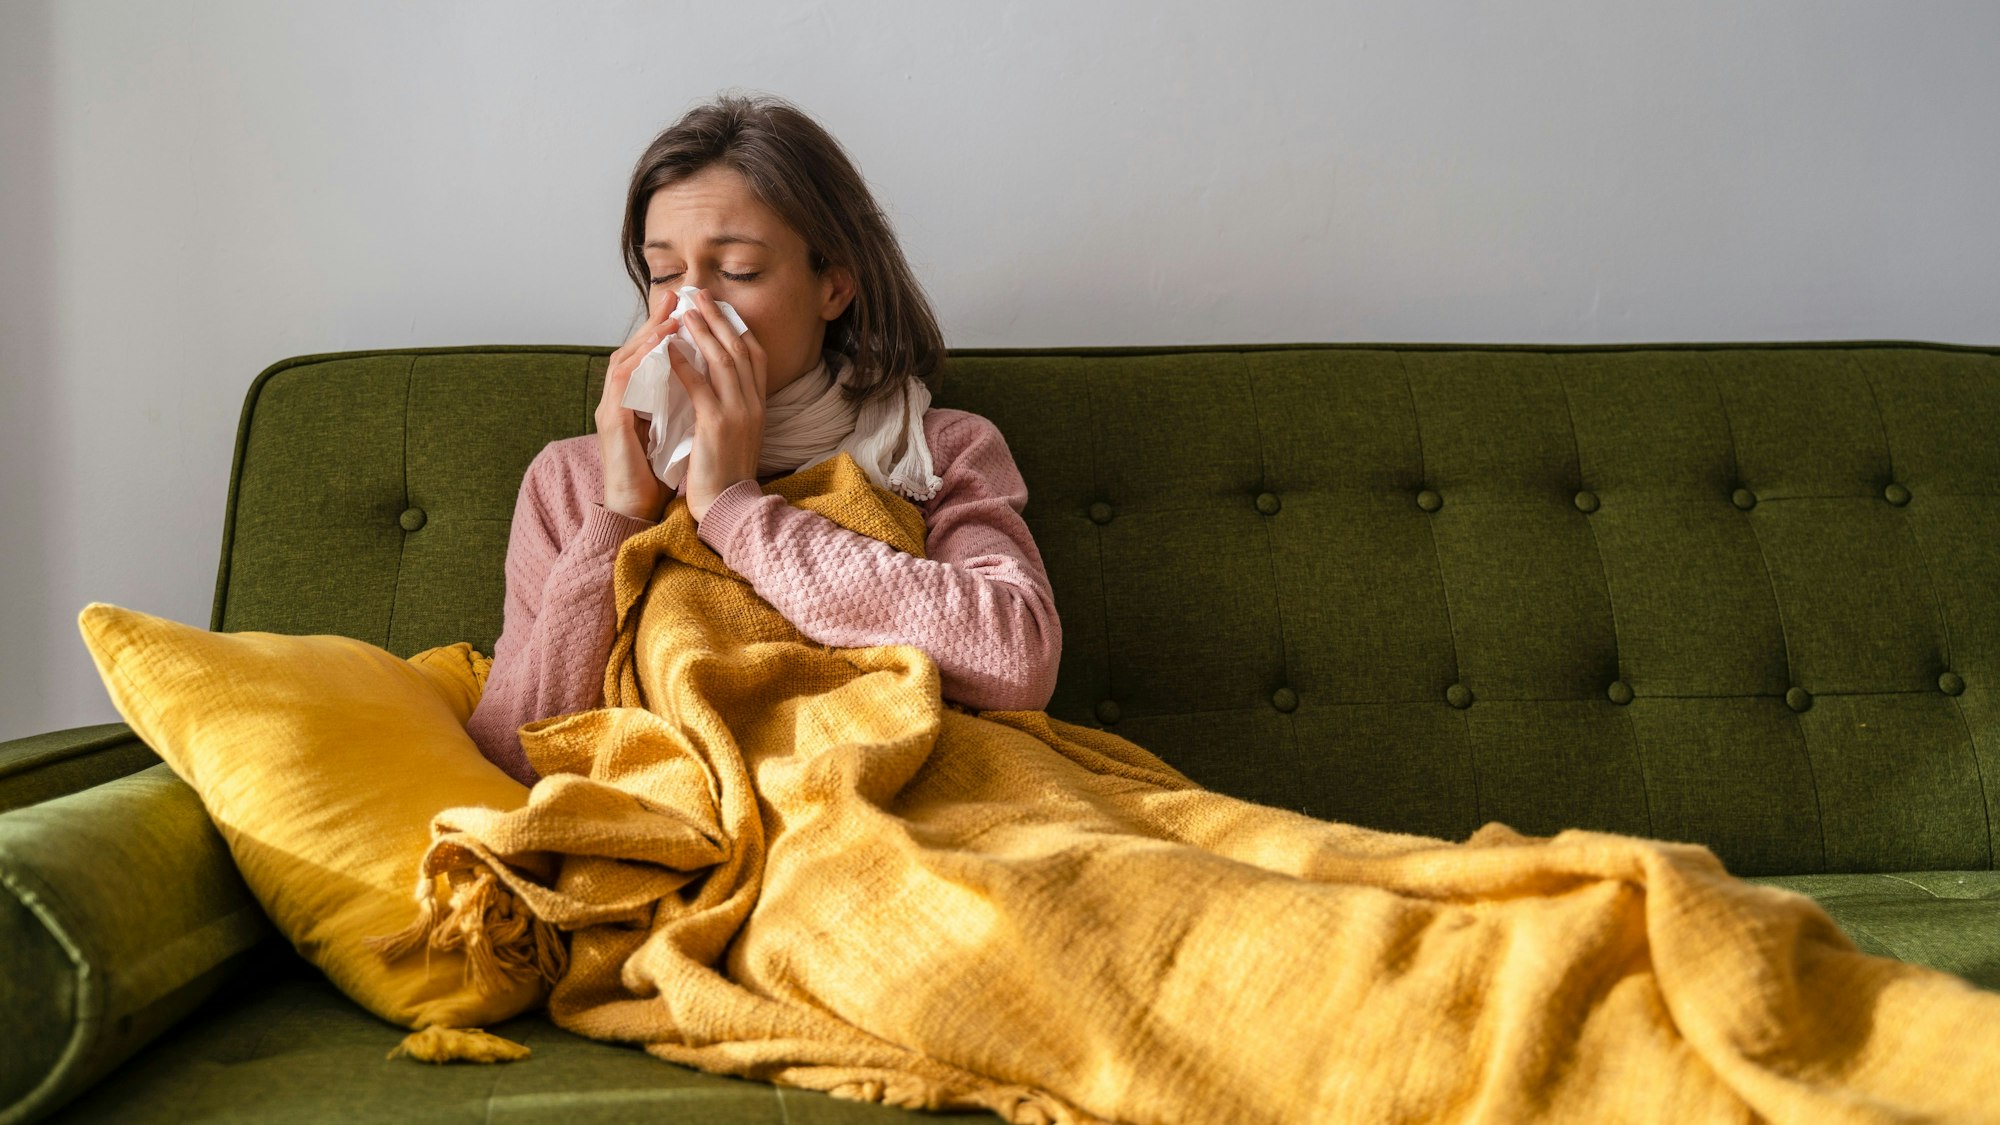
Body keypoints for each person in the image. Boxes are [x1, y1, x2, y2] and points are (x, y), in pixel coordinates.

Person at [466, 93, 1062, 787]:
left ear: (834, 285)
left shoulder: (933, 452)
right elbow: (513, 752)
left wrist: (733, 509)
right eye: (663, 273)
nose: (691, 305)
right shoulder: (572, 479)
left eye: (738, 270)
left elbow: (1019, 657)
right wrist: (620, 513)